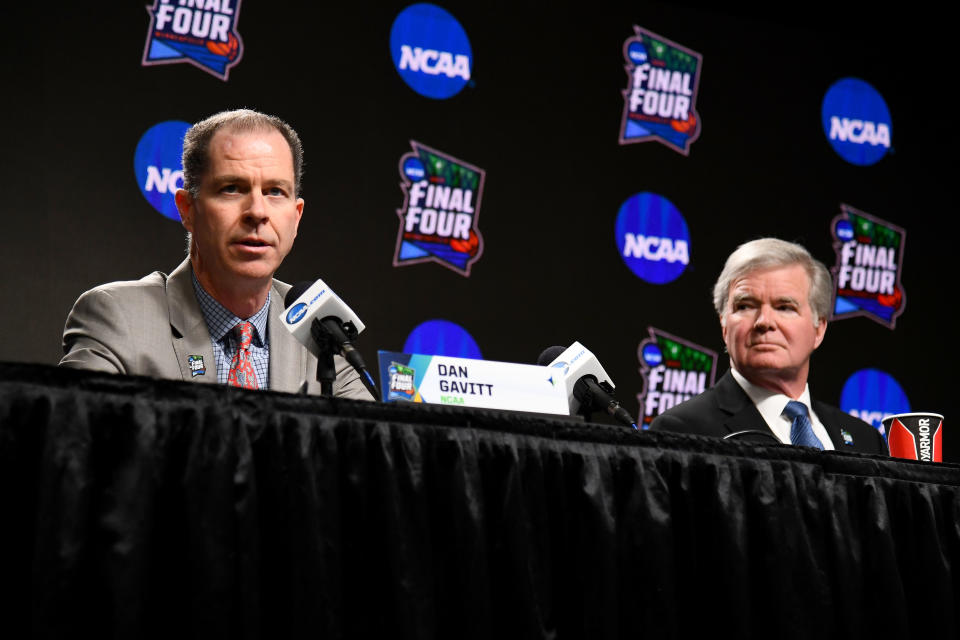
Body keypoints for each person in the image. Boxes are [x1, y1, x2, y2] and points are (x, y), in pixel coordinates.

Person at [60, 109, 373, 400]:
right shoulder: (118, 318)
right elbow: (77, 441)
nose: (257, 212)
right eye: (232, 188)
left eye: (275, 191)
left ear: (296, 217)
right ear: (187, 210)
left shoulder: (321, 330)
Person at [650, 237, 886, 454]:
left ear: (818, 329)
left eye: (785, 307)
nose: (764, 322)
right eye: (745, 306)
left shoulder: (866, 440)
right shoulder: (681, 432)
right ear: (724, 325)